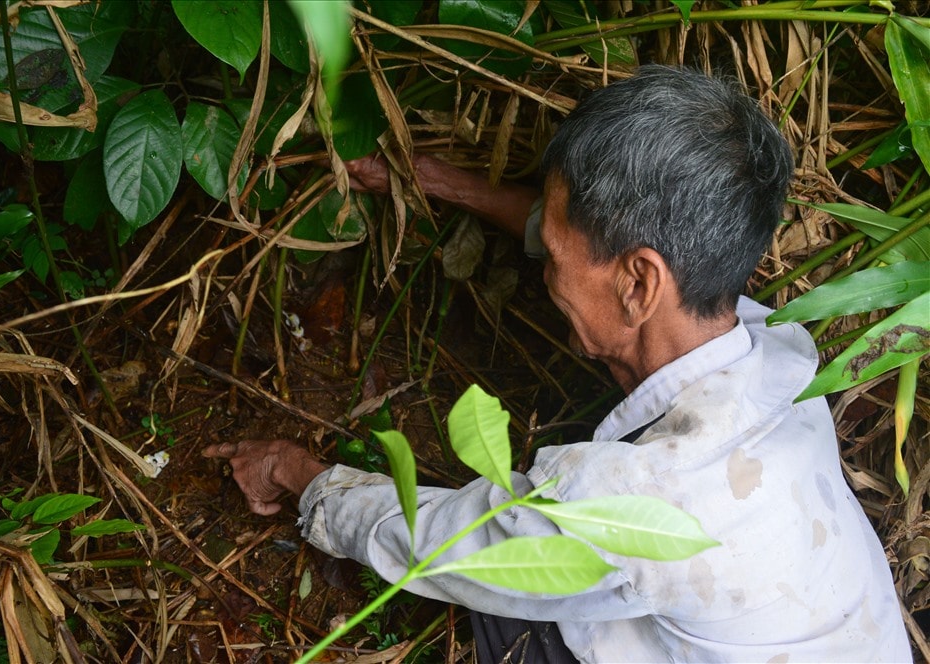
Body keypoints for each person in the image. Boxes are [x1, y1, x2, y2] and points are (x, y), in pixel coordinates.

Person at [203, 66, 911, 662]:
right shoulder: (780, 352)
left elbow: (440, 547)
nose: (547, 264)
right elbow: (599, 247)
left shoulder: (632, 505)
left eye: (558, 237)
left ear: (638, 283)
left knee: (503, 615)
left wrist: (300, 477)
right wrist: (437, 183)